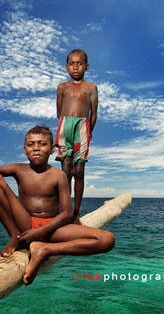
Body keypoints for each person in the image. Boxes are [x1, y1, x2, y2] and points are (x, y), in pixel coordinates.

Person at [0, 125, 114, 285]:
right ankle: (15, 237)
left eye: (42, 143)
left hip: (52, 228)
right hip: (25, 225)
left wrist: (40, 232)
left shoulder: (59, 176)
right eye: (31, 144)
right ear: (24, 149)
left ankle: (45, 249)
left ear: (52, 149)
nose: (36, 148)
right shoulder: (18, 169)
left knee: (107, 239)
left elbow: (67, 213)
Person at [55, 49, 98, 224]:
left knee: (79, 170)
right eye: (72, 64)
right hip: (65, 125)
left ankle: (76, 213)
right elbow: (59, 111)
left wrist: (89, 132)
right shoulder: (62, 87)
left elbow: (94, 113)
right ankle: (64, 211)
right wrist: (65, 127)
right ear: (66, 67)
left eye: (79, 63)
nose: (75, 67)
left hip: (82, 127)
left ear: (86, 66)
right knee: (65, 169)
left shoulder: (91, 88)